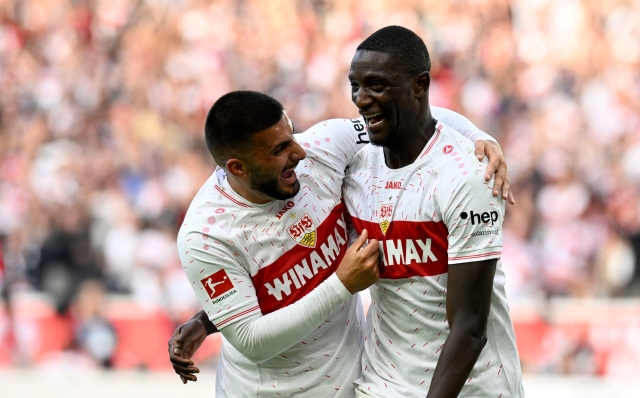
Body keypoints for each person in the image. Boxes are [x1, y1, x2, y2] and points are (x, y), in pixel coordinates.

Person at [172, 89, 510, 397]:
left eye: (291, 135)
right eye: (279, 150)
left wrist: (479, 138)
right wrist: (342, 284)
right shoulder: (206, 235)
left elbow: (407, 119)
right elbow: (252, 341)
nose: (299, 152)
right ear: (237, 167)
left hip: (351, 386)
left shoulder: (324, 147)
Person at [344, 26, 523, 397]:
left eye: (376, 86)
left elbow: (470, 328)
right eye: (355, 86)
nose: (361, 99)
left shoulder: (467, 176)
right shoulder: (355, 167)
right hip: (381, 385)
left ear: (419, 84)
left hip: (471, 388)